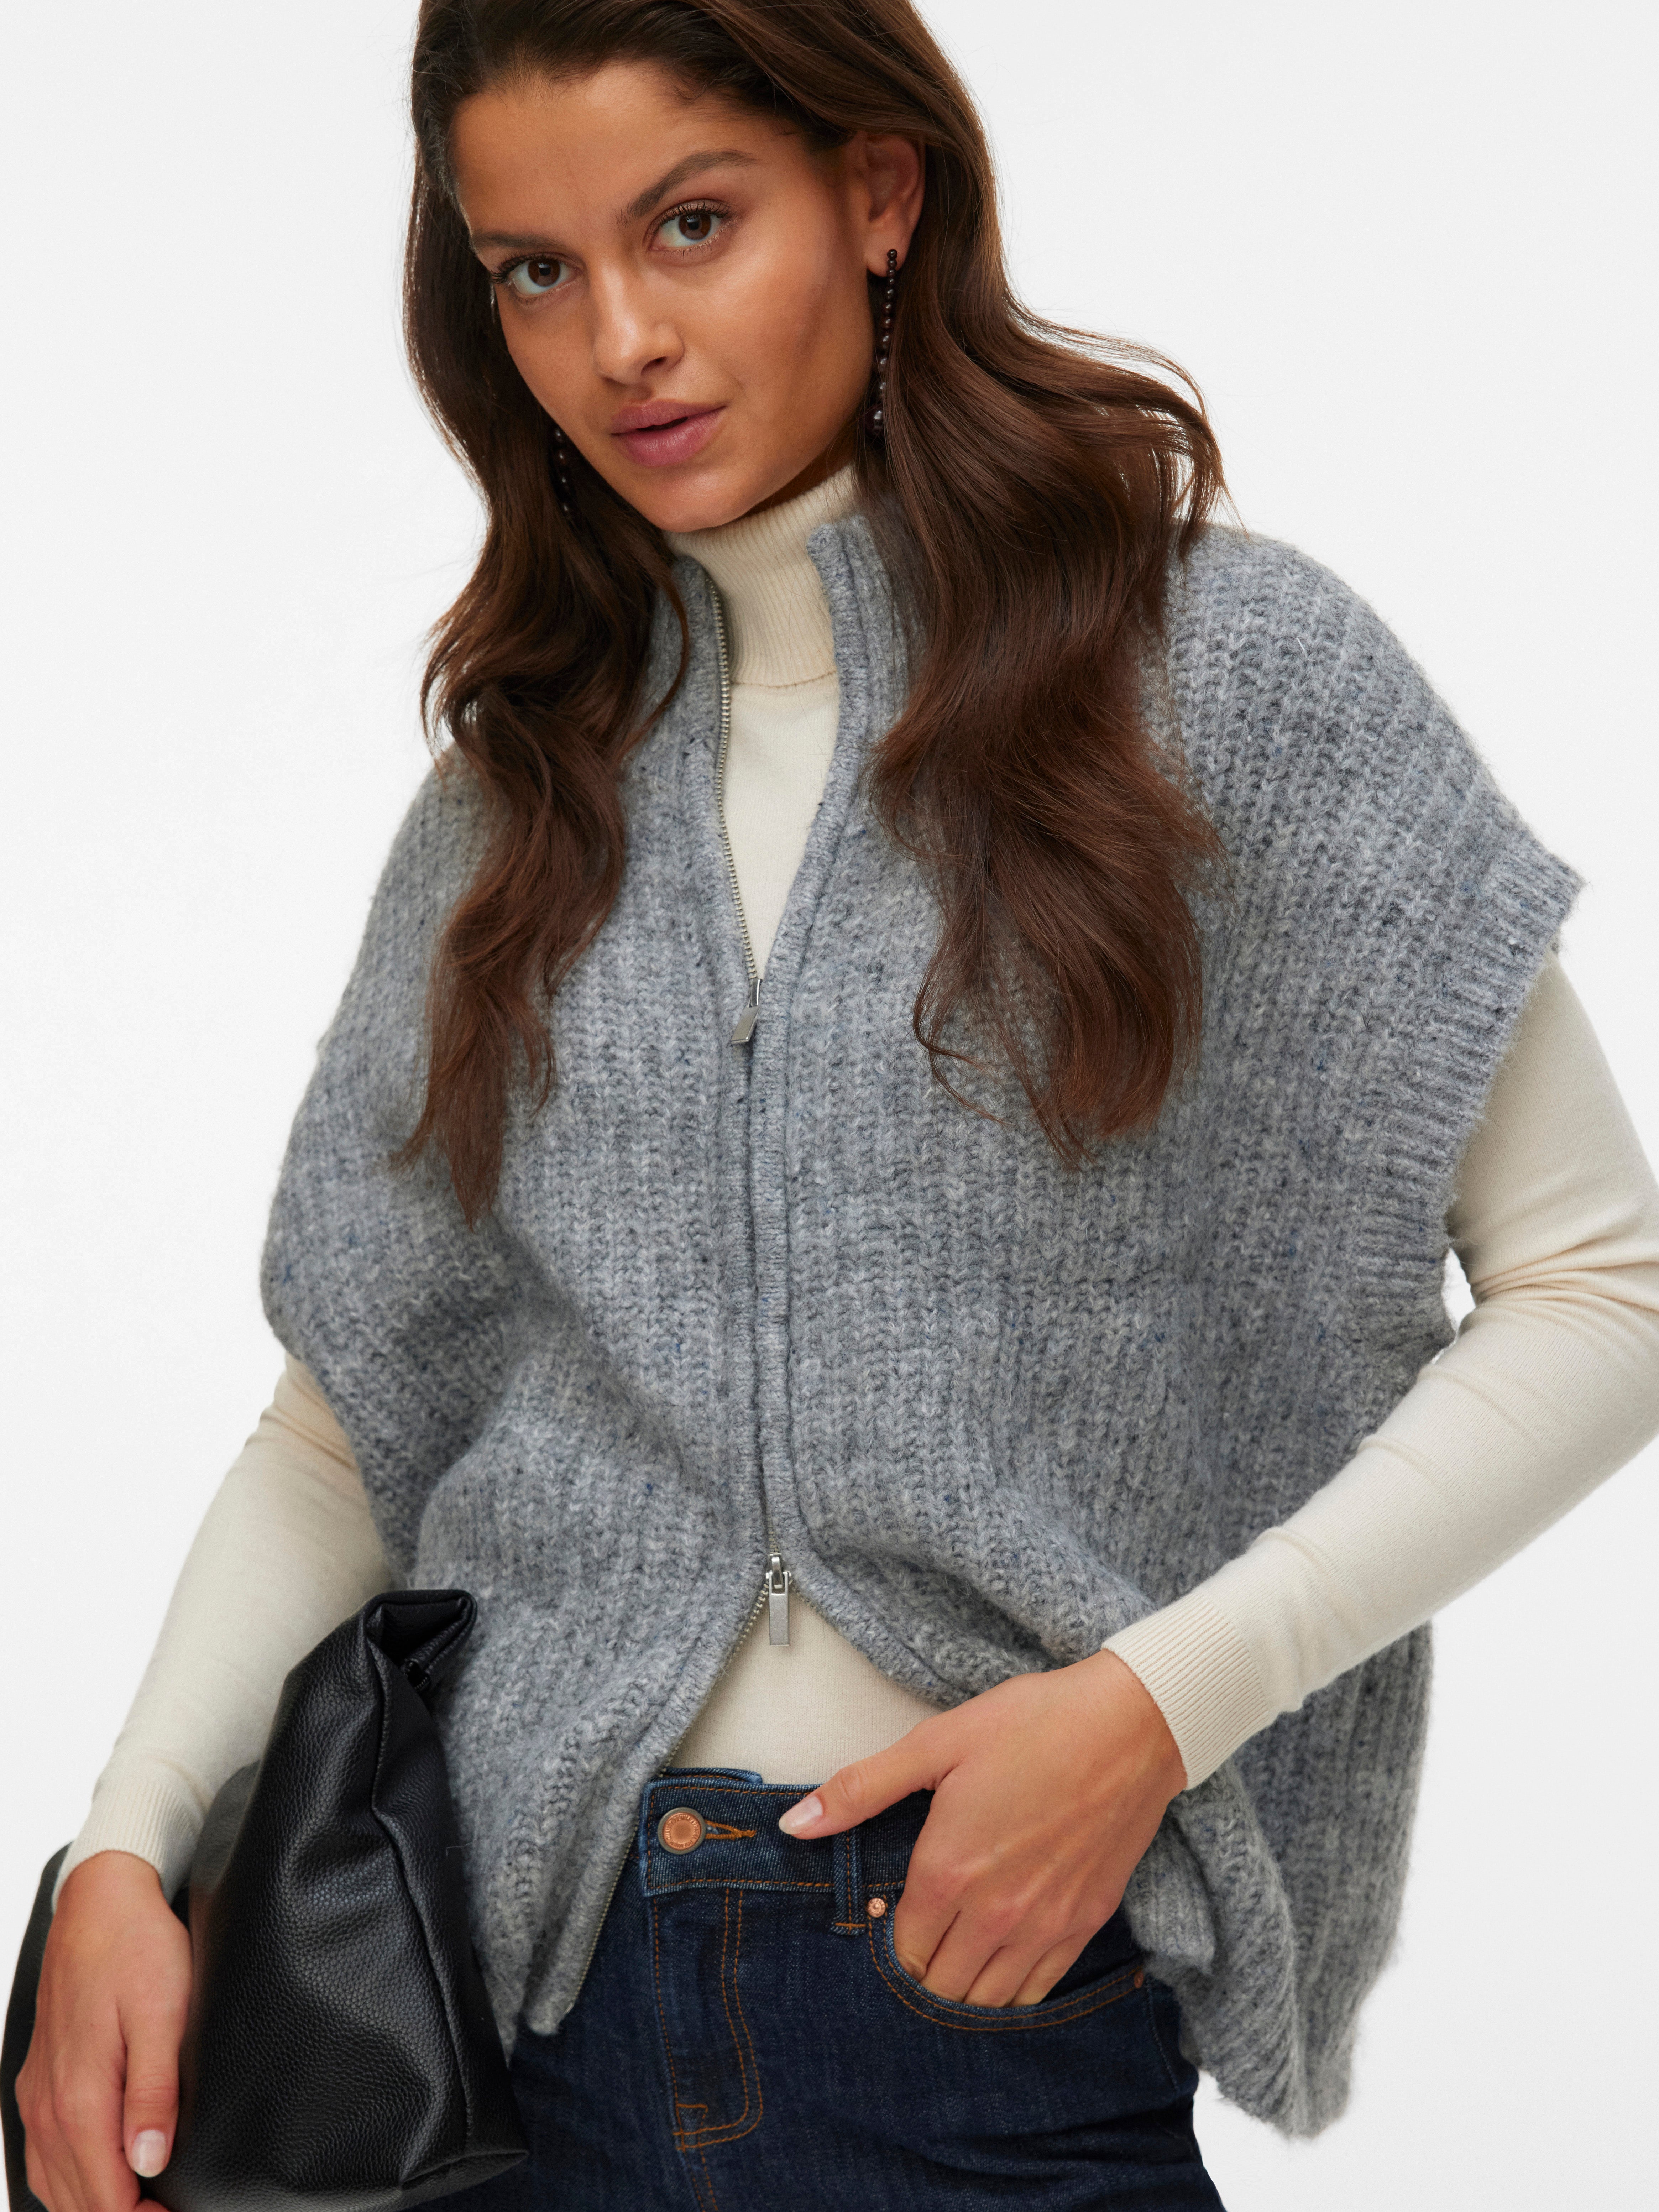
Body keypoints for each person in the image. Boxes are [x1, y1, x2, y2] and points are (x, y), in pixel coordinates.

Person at [17, 1, 1659, 2206]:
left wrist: (1154, 1705)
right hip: (501, 2040)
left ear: (878, 195)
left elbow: (1601, 1286)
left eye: (690, 225)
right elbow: (355, 1428)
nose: (620, 340)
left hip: (969, 2015)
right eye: (534, 270)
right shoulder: (521, 795)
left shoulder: (1217, 683)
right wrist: (128, 1842)